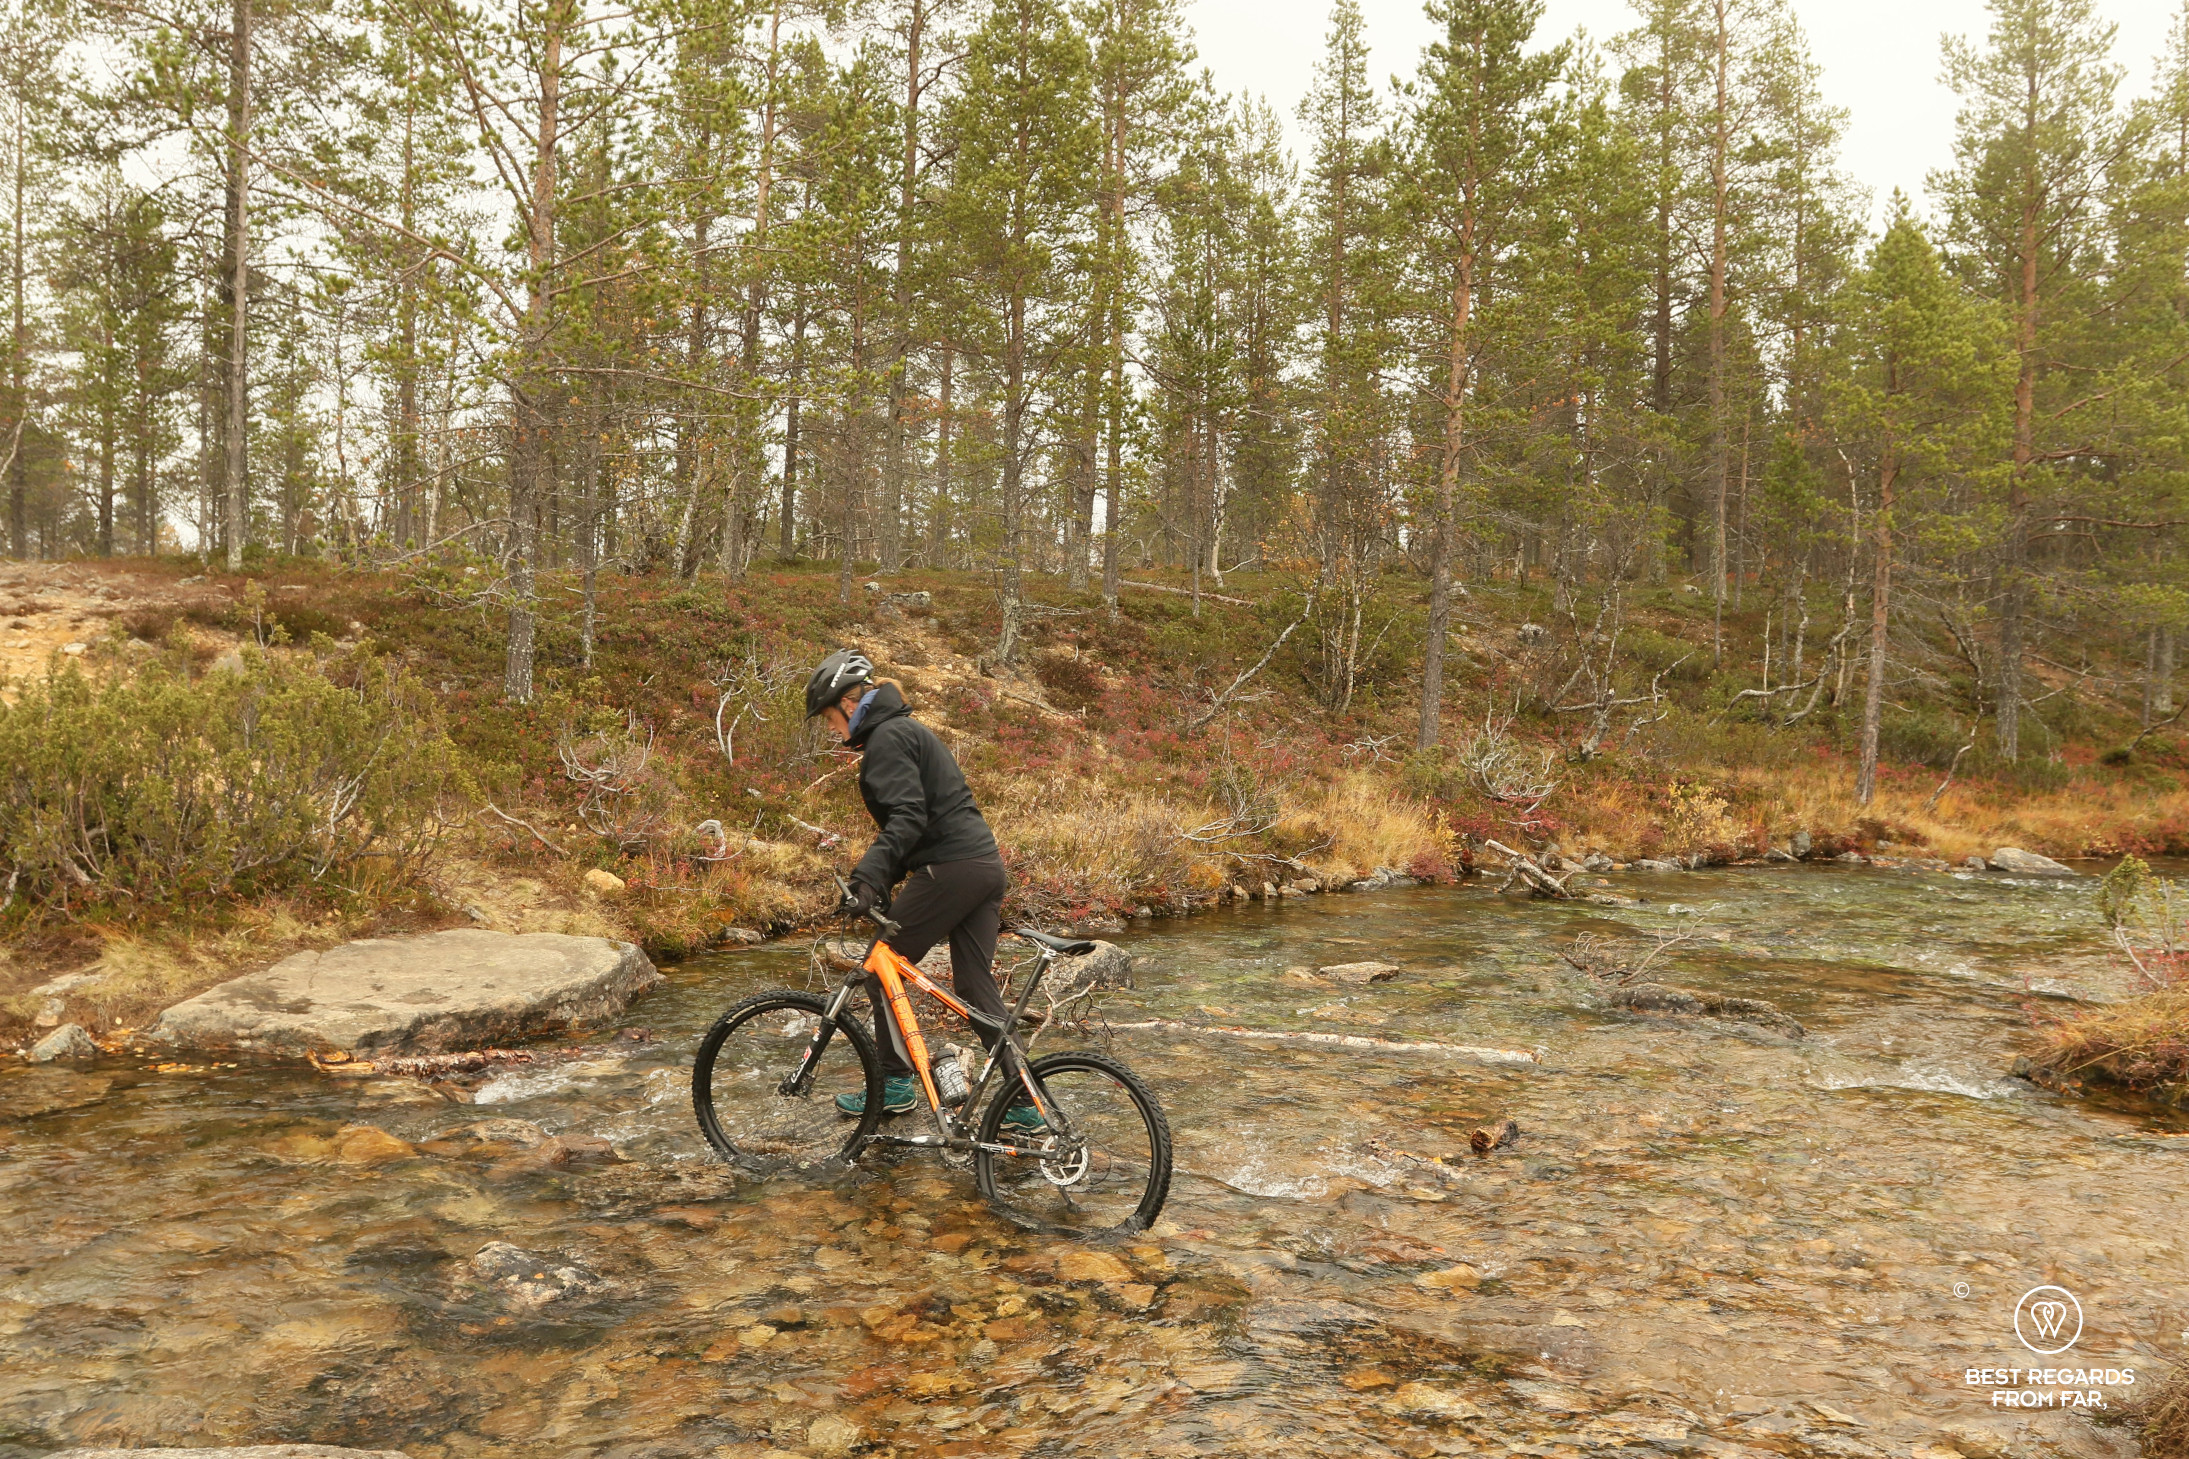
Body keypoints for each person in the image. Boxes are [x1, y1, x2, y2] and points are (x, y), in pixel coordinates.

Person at [804, 649, 1041, 1132]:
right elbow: (921, 818)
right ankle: (1028, 1101)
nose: (831, 729)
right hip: (982, 867)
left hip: (951, 869)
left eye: (829, 717)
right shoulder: (905, 731)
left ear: (849, 705)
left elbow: (908, 818)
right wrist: (885, 881)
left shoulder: (888, 739)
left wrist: (868, 878)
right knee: (975, 987)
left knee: (878, 970)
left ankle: (893, 1085)